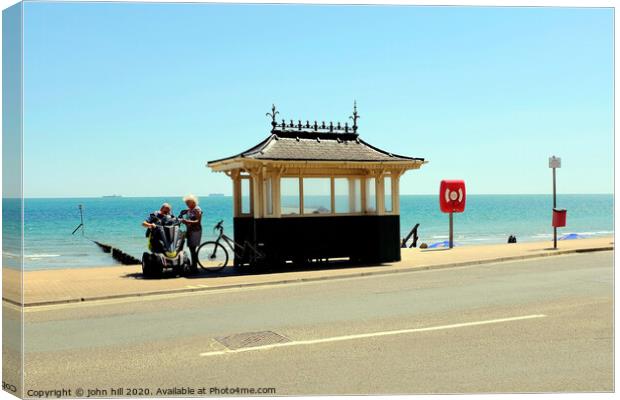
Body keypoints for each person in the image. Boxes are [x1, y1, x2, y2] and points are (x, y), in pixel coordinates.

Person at [179, 194, 202, 272]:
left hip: (195, 230)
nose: (187, 205)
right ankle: (194, 266)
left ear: (193, 202)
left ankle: (195, 267)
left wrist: (187, 221)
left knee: (193, 249)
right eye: (186, 203)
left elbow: (198, 221)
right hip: (190, 230)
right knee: (191, 248)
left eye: (188, 203)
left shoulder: (197, 209)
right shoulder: (189, 210)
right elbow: (186, 217)